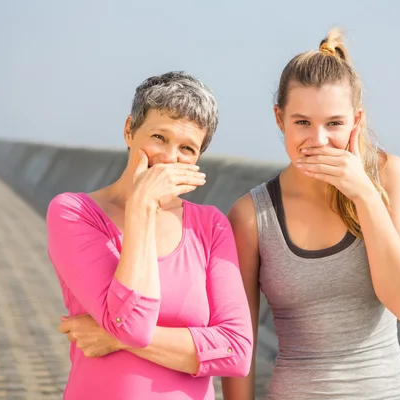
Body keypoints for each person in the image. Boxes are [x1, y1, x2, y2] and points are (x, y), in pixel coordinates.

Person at [221, 29, 400, 399]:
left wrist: (364, 195)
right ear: (279, 119)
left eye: (333, 123)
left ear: (356, 121)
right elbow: (241, 345)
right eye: (302, 122)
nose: (317, 140)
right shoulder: (252, 216)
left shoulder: (391, 177)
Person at [46, 71, 253, 400]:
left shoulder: (210, 225)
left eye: (187, 148)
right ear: (129, 130)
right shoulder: (74, 212)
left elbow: (236, 351)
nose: (170, 158)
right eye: (159, 137)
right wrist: (141, 205)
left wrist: (112, 337)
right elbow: (132, 325)